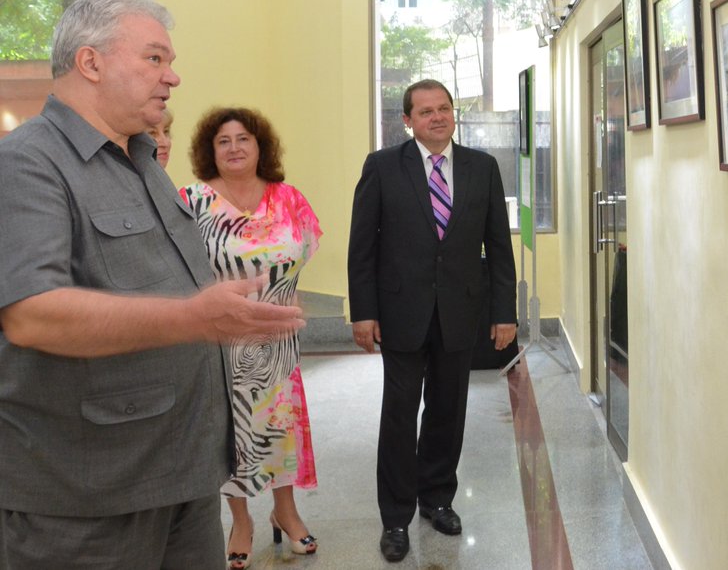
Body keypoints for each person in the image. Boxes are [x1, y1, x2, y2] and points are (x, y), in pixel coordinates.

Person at [0, 0, 304, 569]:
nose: (173, 77)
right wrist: (194, 318)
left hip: (182, 475)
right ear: (91, 63)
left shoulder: (143, 161)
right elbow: (31, 314)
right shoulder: (27, 163)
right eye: (155, 58)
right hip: (90, 498)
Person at [347, 79, 517, 563]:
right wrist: (364, 312)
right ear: (408, 120)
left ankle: (438, 498)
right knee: (400, 417)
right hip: (401, 313)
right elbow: (363, 247)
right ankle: (395, 517)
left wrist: (505, 313)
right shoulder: (382, 166)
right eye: (425, 111)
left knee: (448, 410)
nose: (437, 117)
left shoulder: (482, 167)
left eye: (444, 108)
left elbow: (498, 246)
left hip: (460, 311)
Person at [181, 107, 322, 570]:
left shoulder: (289, 198)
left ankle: (286, 511)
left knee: (280, 426)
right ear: (210, 150)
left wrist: (285, 297)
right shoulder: (191, 201)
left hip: (278, 339)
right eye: (223, 141)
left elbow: (302, 253)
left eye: (244, 138)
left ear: (261, 146)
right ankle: (240, 521)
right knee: (231, 431)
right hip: (221, 340)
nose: (235, 147)